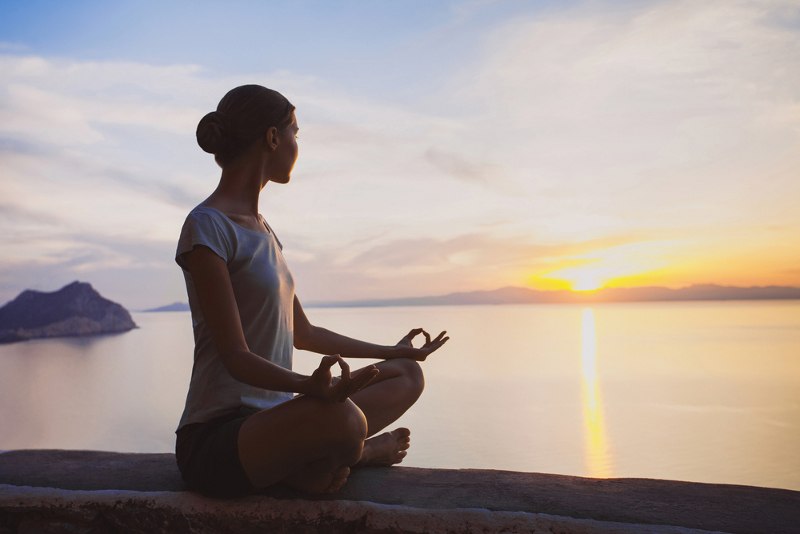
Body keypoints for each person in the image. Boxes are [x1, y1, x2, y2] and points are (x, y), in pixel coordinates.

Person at [174, 84, 449, 497]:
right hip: (220, 437)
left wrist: (394, 352)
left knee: (407, 376)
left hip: (283, 417)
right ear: (271, 138)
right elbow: (235, 357)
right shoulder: (208, 227)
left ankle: (312, 463)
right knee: (346, 421)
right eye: (294, 134)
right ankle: (357, 453)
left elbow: (305, 333)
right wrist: (309, 388)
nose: (296, 144)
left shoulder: (265, 232)